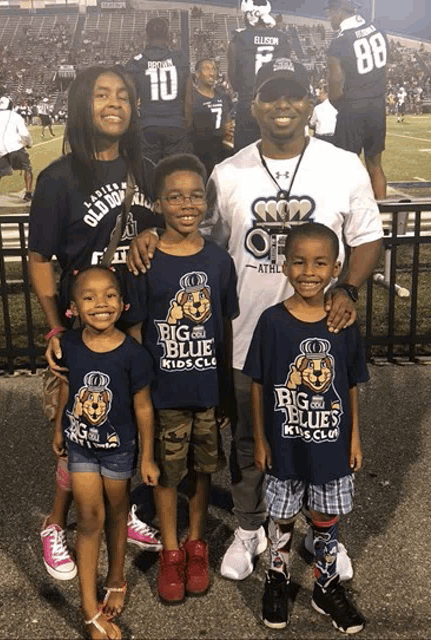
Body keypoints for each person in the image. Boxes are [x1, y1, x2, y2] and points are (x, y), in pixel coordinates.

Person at [126, 57, 383, 584]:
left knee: (321, 435)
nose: (283, 105)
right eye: (271, 95)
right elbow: (196, 235)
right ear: (255, 105)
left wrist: (350, 289)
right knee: (248, 442)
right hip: (245, 337)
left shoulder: (343, 165)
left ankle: (319, 533)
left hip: (321, 334)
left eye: (293, 95)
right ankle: (250, 527)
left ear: (311, 103)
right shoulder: (227, 171)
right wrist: (151, 233)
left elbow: (366, 237)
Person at [28, 66, 162, 584]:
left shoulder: (143, 168)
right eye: (102, 94)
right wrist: (56, 332)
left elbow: (158, 229)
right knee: (80, 429)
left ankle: (122, 511)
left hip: (133, 330)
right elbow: (40, 257)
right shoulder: (61, 177)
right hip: (84, 330)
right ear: (83, 104)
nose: (115, 103)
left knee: (121, 428)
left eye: (124, 95)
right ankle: (52, 525)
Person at [126, 153, 239, 604]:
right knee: (169, 476)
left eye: (195, 195)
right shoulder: (145, 261)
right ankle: (171, 549)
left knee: (203, 470)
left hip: (207, 392)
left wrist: (226, 393)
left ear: (206, 202)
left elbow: (224, 329)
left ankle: (197, 543)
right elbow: (135, 334)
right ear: (158, 202)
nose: (186, 204)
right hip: (165, 393)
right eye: (175, 196)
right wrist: (139, 396)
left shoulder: (219, 261)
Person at [245, 222, 367, 633]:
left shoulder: (342, 322)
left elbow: (348, 383)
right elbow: (259, 385)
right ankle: (276, 578)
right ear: (284, 266)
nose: (309, 271)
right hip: (284, 444)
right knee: (281, 518)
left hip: (331, 443)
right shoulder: (272, 322)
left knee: (324, 515)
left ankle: (325, 585)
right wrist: (260, 439)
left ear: (336, 268)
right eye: (299, 262)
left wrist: (353, 436)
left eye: (319, 263)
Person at [54, 265, 158, 640]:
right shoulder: (69, 345)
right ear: (74, 308)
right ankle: (88, 611)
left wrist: (147, 457)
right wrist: (59, 428)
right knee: (87, 519)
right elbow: (68, 388)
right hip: (81, 446)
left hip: (119, 451)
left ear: (123, 302)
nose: (101, 303)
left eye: (109, 295)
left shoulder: (134, 354)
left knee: (116, 513)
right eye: (89, 297)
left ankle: (116, 576)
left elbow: (143, 407)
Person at [326, 0, 389, 199]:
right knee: (375, 165)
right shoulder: (378, 29)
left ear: (339, 12)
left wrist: (341, 106)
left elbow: (334, 85)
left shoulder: (339, 42)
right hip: (377, 105)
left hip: (353, 106)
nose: (329, 18)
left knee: (344, 167)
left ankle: (346, 219)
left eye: (330, 13)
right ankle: (382, 214)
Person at [125, 17, 193, 164]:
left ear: (147, 36)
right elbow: (188, 98)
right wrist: (186, 125)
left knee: (149, 173)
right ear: (168, 35)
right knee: (174, 172)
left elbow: (129, 98)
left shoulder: (137, 62)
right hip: (175, 124)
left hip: (147, 125)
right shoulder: (180, 58)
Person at [228, 0, 291, 152]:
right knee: (276, 153)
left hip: (248, 103)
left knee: (244, 155)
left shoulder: (239, 39)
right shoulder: (282, 39)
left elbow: (234, 81)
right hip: (276, 104)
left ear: (250, 15)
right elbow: (287, 73)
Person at [192, 58, 233, 176]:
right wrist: (220, 131)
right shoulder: (193, 97)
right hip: (201, 151)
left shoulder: (222, 95)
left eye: (214, 69)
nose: (211, 73)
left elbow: (227, 119)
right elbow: (192, 128)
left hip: (222, 150)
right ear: (198, 74)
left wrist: (228, 133)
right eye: (206, 69)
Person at [0, 96, 33, 204]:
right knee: (27, 168)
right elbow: (24, 133)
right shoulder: (16, 116)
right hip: (15, 147)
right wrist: (29, 143)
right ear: (10, 105)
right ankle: (28, 193)